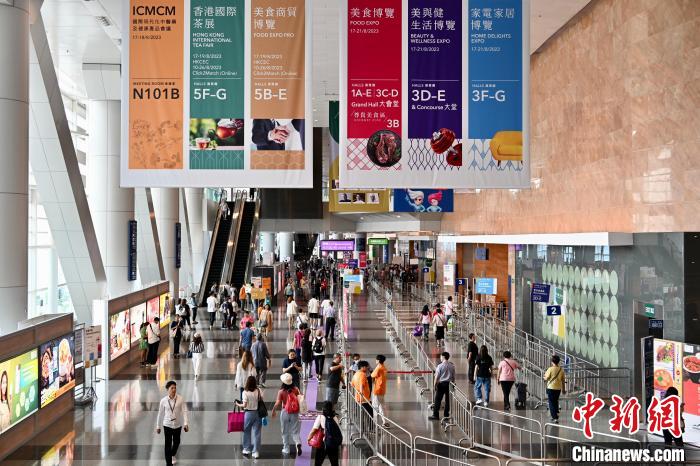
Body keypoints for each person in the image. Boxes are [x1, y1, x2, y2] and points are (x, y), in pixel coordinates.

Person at [155, 381, 189, 466]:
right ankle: (169, 463)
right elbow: (160, 413)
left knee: (177, 442)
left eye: (175, 388)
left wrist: (186, 423)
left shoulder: (180, 399)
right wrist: (158, 426)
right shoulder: (163, 401)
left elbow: (184, 411)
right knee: (168, 444)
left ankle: (172, 454)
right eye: (172, 388)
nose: (174, 389)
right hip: (167, 425)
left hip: (177, 425)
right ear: (168, 390)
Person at [271, 373, 303, 456]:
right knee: (295, 431)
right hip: (295, 412)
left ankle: (286, 448)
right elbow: (300, 398)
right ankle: (298, 443)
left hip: (285, 411)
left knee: (284, 431)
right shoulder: (296, 389)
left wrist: (273, 410)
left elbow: (278, 402)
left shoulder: (281, 392)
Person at [235, 376, 263, 459]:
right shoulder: (258, 390)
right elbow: (261, 400)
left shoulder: (245, 392)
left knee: (246, 431)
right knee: (257, 433)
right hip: (257, 413)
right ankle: (256, 451)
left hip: (248, 414)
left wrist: (237, 404)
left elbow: (244, 405)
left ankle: (247, 449)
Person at [307, 401, 342, 466]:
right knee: (334, 463)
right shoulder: (335, 417)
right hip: (333, 444)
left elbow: (314, 429)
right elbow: (338, 430)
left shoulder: (320, 417)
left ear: (323, 408)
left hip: (323, 443)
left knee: (318, 463)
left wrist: (309, 438)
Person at [429, 352, 455, 420]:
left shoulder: (440, 366)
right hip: (449, 384)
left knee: (437, 399)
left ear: (443, 357)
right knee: (447, 400)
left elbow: (437, 377)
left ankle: (435, 415)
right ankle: (446, 415)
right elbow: (453, 377)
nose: (440, 358)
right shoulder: (452, 366)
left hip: (441, 384)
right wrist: (453, 384)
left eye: (441, 357)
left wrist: (434, 385)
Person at [543, 355, 565, 423]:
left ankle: (554, 417)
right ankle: (556, 413)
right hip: (558, 388)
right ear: (558, 362)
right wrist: (564, 389)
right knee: (555, 401)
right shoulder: (561, 369)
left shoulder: (550, 369)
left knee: (551, 403)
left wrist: (544, 377)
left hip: (551, 388)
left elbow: (546, 378)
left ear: (552, 361)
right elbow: (563, 380)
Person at [371, 355, 389, 428]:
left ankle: (374, 423)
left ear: (378, 360)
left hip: (377, 389)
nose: (375, 361)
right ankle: (385, 422)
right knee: (382, 406)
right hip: (382, 389)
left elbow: (372, 375)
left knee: (375, 406)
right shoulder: (384, 367)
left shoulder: (379, 368)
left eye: (376, 360)